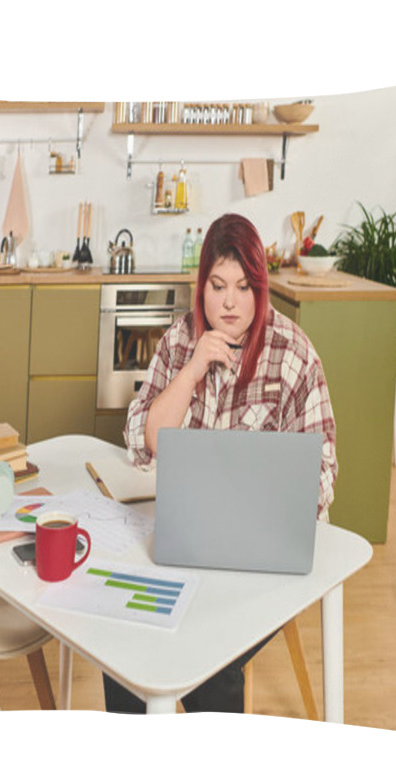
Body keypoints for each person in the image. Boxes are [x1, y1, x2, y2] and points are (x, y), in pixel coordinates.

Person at [103, 212, 338, 714]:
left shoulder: (295, 354)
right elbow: (143, 439)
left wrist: (265, 514)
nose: (229, 302)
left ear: (260, 288)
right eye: (217, 286)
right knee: (119, 645)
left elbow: (322, 473)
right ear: (201, 285)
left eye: (243, 287)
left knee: (211, 665)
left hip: (263, 560)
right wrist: (193, 367)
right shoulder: (179, 341)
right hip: (183, 543)